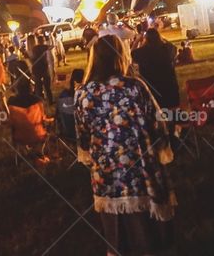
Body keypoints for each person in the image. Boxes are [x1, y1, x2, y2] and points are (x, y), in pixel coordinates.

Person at [75, 35, 175, 255]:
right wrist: (162, 147)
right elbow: (157, 122)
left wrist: (93, 154)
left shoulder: (82, 93)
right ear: (121, 56)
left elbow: (82, 135)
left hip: (106, 169)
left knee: (115, 227)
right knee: (143, 223)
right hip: (139, 165)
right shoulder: (134, 87)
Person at [131, 29, 180, 111]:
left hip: (151, 87)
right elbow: (174, 47)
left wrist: (137, 40)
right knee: (173, 112)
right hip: (169, 85)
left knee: (156, 111)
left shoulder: (142, 52)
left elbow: (132, 53)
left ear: (146, 39)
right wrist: (162, 38)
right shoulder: (167, 49)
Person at [28, 34, 54, 105]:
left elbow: (32, 57)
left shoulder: (35, 48)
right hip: (43, 68)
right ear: (42, 40)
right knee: (46, 86)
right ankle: (50, 101)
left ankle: (39, 101)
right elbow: (52, 46)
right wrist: (51, 38)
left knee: (38, 86)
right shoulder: (44, 47)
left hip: (36, 69)